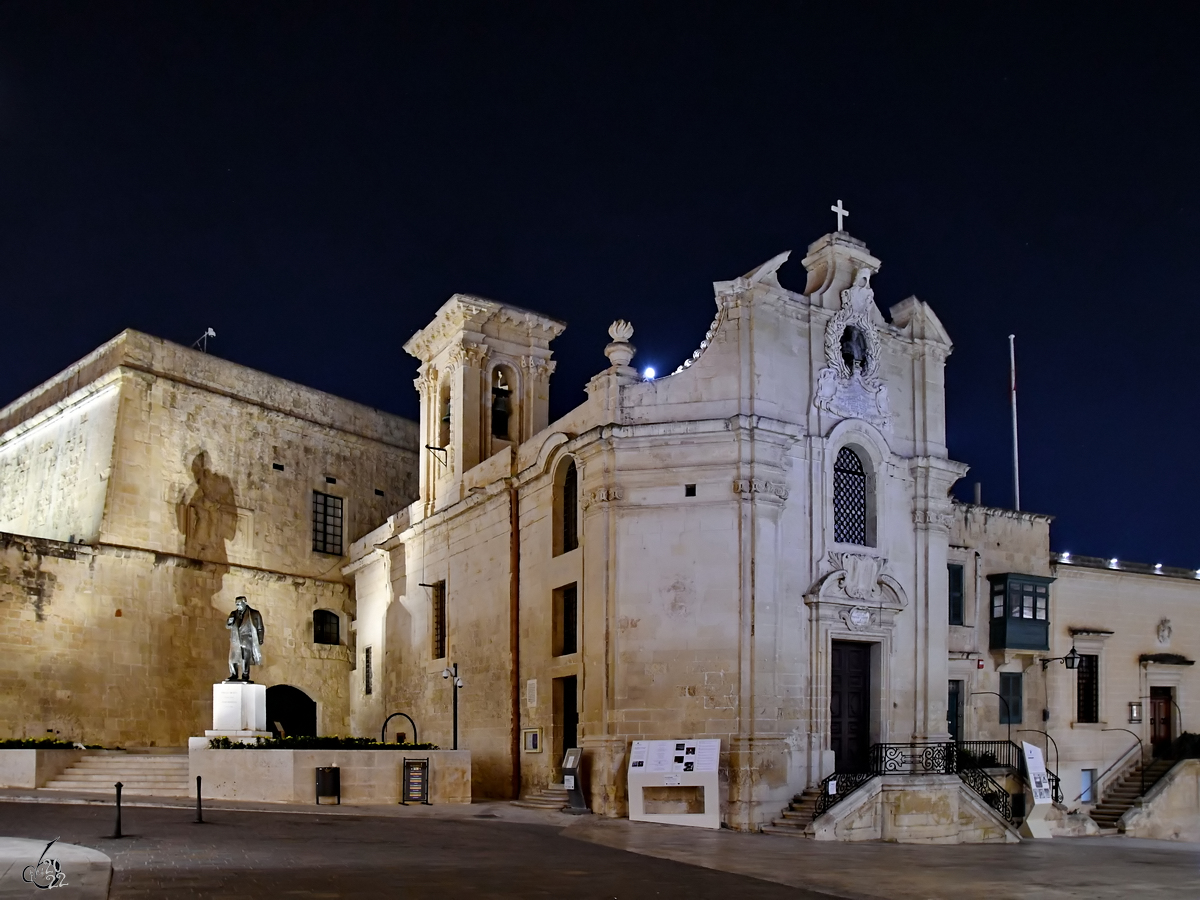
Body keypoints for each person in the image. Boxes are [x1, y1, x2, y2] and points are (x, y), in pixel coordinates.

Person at [226, 596, 265, 682]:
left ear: (245, 603)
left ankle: (245, 675)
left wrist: (260, 639)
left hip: (247, 638)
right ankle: (233, 674)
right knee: (232, 658)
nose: (238, 606)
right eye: (236, 604)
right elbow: (227, 626)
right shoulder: (234, 613)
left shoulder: (254, 613)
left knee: (245, 658)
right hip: (235, 639)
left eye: (239, 604)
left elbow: (260, 627)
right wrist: (229, 621)